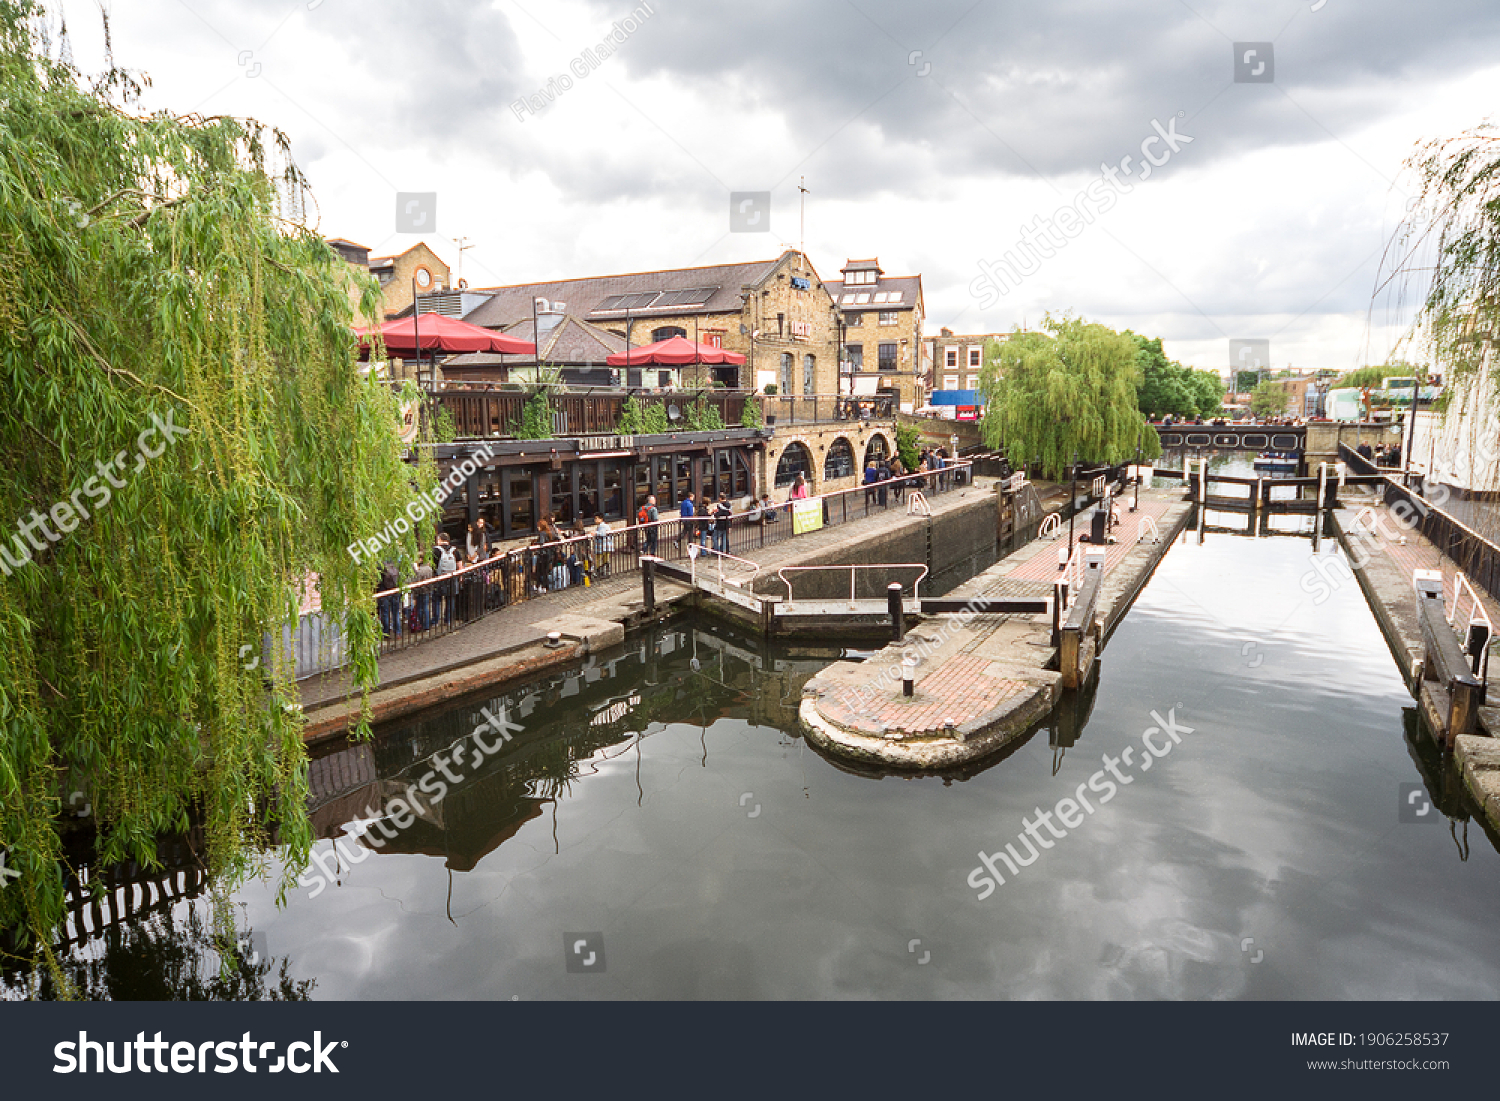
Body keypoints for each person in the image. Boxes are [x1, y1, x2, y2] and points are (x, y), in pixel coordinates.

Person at [376, 559, 401, 638]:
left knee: (385, 613)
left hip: (384, 592)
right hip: (395, 591)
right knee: (396, 613)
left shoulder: (380, 566)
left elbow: (378, 580)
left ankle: (386, 633)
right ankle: (398, 632)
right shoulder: (396, 564)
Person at [412, 556, 434, 630]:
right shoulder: (429, 569)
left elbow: (417, 581)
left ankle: (421, 623)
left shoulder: (419, 570)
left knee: (420, 608)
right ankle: (427, 624)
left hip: (420, 591)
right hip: (427, 590)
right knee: (426, 607)